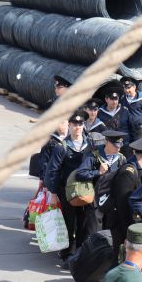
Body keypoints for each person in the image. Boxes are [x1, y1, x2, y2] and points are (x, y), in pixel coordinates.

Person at [44, 111, 92, 260]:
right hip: (67, 191)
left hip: (85, 189)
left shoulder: (90, 144)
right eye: (74, 124)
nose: (77, 127)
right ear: (69, 125)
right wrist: (53, 193)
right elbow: (53, 171)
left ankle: (80, 250)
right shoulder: (62, 147)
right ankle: (67, 251)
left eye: (80, 124)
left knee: (84, 221)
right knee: (68, 221)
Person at [109, 135, 142, 251]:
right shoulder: (128, 172)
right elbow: (123, 207)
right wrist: (128, 234)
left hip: (136, 224)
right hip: (122, 227)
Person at [74, 130, 126, 232]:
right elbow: (80, 174)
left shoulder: (121, 159)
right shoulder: (94, 156)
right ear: (106, 141)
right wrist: (98, 172)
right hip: (95, 201)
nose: (118, 148)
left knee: (109, 232)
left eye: (120, 145)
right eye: (115, 145)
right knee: (94, 232)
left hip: (112, 202)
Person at [98, 84, 136, 151]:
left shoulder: (125, 111)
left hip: (125, 145)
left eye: (116, 99)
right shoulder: (100, 113)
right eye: (112, 99)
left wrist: (133, 143)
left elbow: (132, 128)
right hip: (108, 145)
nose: (114, 102)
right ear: (106, 99)